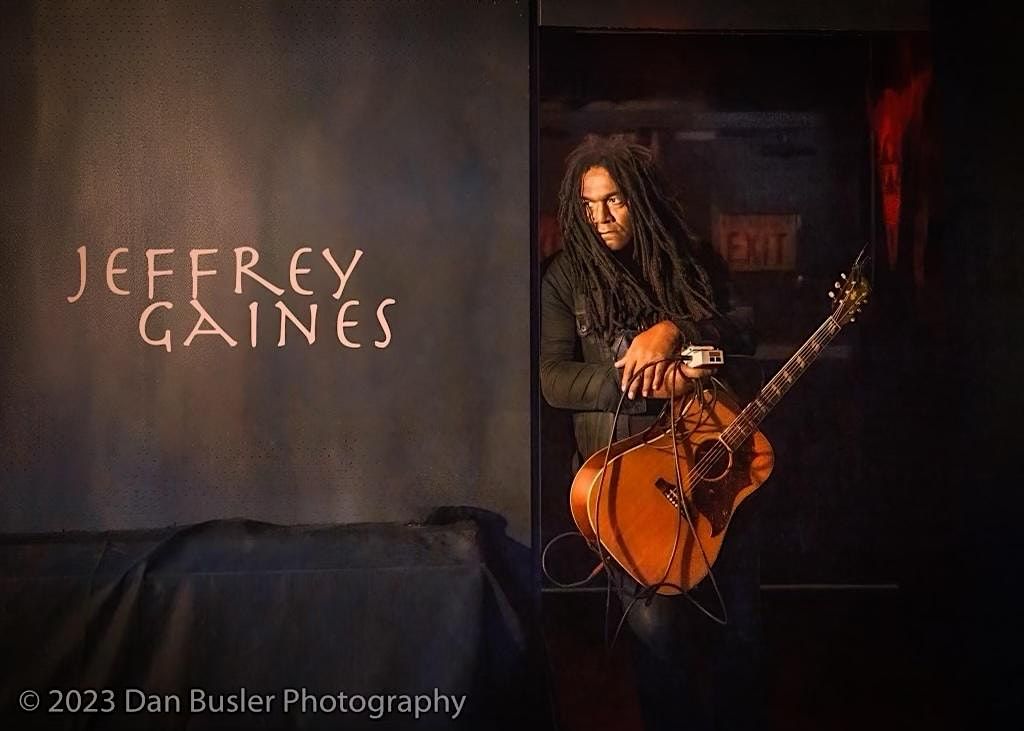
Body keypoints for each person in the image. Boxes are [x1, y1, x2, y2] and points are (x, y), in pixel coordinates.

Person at [540, 136, 763, 730]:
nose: (601, 217)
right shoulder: (567, 278)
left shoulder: (691, 262)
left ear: (640, 198)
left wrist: (673, 330)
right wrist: (633, 382)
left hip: (709, 468)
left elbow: (740, 336)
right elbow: (554, 380)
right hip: (627, 487)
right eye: (589, 206)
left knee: (738, 631)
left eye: (614, 201)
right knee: (657, 642)